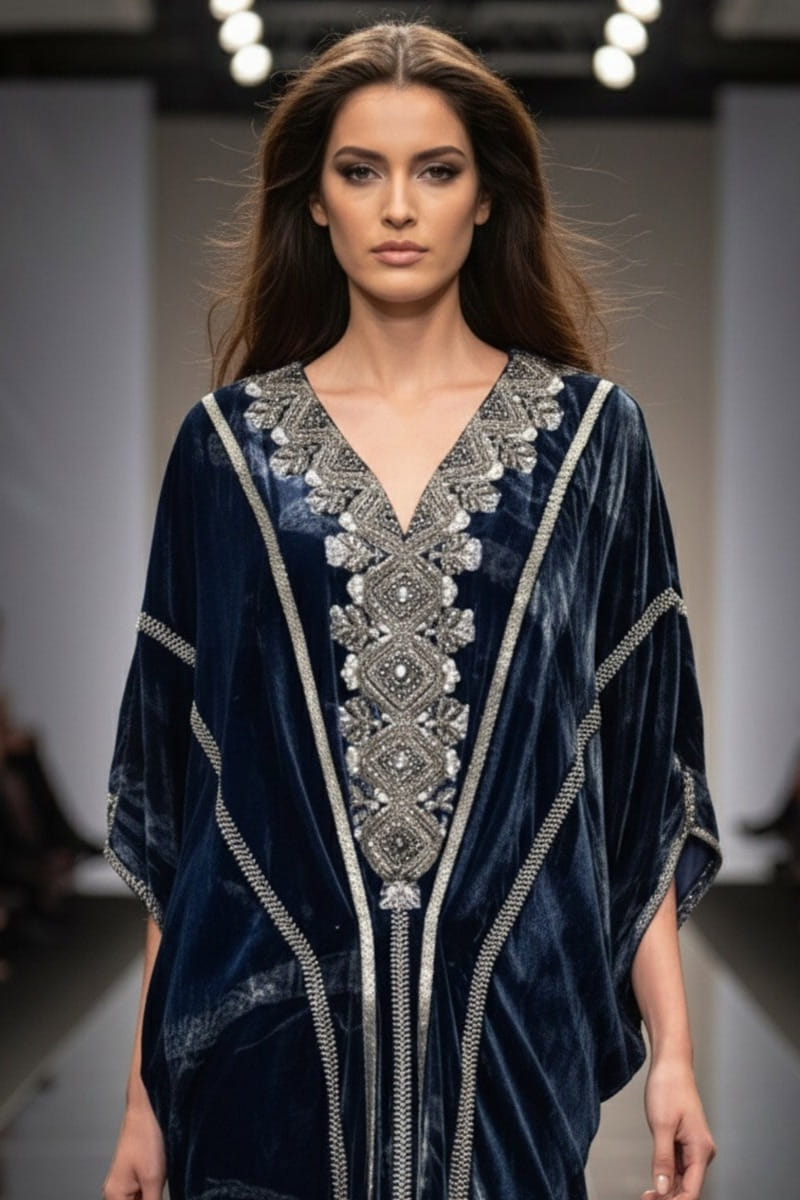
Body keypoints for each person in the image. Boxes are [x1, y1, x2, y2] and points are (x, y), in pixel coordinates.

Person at [102, 20, 722, 1200]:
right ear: (315, 200)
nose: (397, 207)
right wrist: (141, 1098)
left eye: (434, 170)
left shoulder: (593, 441)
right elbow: (176, 798)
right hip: (259, 1044)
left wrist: (676, 1059)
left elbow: (638, 775)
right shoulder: (226, 450)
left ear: (484, 198)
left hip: (509, 1044)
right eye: (359, 170)